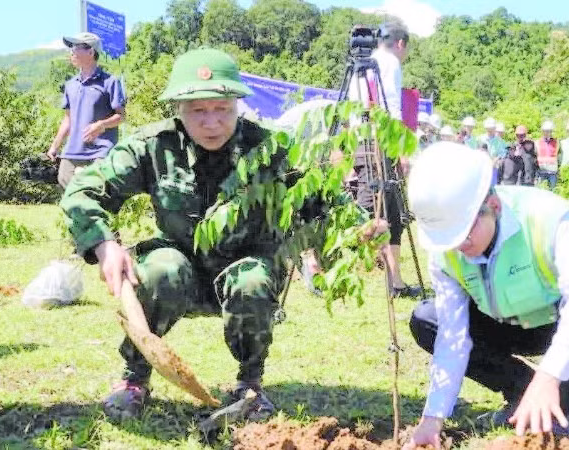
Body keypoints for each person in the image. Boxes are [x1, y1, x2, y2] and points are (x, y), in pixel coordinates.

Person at [59, 48, 381, 420]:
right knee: (159, 270)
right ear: (178, 108)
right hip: (181, 271)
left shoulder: (270, 149)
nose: (212, 122)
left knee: (252, 279)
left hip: (245, 270)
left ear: (237, 105)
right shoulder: (154, 146)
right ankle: (135, 378)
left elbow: (323, 198)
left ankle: (250, 386)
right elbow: (83, 190)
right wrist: (104, 244)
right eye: (198, 110)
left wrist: (361, 225)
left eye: (222, 109)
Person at [402, 143, 569, 449]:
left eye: (464, 234)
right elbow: (452, 337)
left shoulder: (547, 216)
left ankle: (554, 408)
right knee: (427, 320)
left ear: (493, 206)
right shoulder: (446, 252)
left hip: (556, 322)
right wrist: (433, 418)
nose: (458, 246)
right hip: (503, 325)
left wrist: (549, 376)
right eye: (449, 239)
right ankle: (523, 390)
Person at [346, 22, 422, 298]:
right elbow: (392, 108)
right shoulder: (389, 62)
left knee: (392, 214)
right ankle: (329, 259)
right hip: (380, 141)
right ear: (401, 44)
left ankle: (396, 281)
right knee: (373, 210)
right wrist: (401, 151)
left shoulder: (360, 63)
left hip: (361, 140)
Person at [48, 32, 126, 189]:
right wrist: (55, 146)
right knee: (66, 185)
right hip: (73, 151)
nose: (71, 51)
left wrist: (101, 125)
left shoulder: (110, 82)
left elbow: (121, 116)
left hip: (100, 152)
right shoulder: (70, 85)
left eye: (76, 47)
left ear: (91, 52)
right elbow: (68, 120)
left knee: (95, 190)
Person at [536, 121, 560, 189]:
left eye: (549, 131)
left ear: (551, 131)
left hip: (553, 172)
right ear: (542, 131)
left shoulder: (556, 142)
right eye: (545, 131)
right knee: (540, 191)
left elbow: (559, 156)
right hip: (541, 172)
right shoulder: (537, 142)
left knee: (553, 191)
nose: (547, 133)